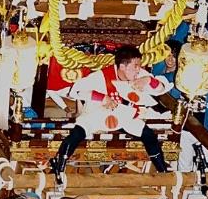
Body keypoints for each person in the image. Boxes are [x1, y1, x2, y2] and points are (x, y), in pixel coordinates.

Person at [50, 45, 170, 179]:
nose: (138, 69)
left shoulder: (140, 74)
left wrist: (149, 80)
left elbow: (161, 89)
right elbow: (76, 91)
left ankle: (163, 173)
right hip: (96, 114)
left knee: (148, 134)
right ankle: (59, 167)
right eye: (135, 66)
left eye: (139, 66)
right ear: (122, 66)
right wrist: (102, 98)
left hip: (124, 116)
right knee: (78, 132)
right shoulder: (100, 76)